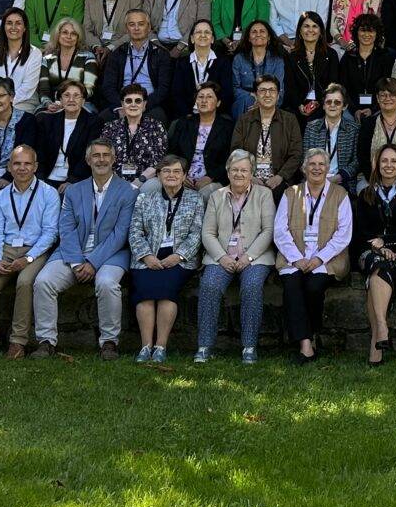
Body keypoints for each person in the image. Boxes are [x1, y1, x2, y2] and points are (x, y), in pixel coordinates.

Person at [31, 139, 138, 360]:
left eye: (106, 155)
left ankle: (109, 342)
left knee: (107, 283)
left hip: (111, 253)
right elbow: (66, 228)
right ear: (88, 160)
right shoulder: (73, 191)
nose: (101, 160)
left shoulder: (128, 192)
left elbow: (120, 233)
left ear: (114, 159)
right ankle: (46, 341)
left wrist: (93, 262)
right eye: (96, 155)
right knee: (43, 282)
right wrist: (77, 262)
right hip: (73, 252)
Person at [0, 145, 58, 358]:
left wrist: (28, 258)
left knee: (25, 282)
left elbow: (50, 233)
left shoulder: (49, 194)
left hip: (36, 249)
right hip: (6, 249)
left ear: (35, 166)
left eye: (27, 163)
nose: (22, 168)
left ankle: (18, 341)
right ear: (9, 167)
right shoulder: (0, 197)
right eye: (17, 163)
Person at [194, 151, 279, 362]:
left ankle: (249, 346)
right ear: (227, 172)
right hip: (221, 257)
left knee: (251, 286)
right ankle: (205, 346)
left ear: (251, 173)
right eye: (234, 170)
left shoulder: (264, 194)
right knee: (209, 285)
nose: (239, 174)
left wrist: (248, 257)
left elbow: (268, 231)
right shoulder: (217, 196)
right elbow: (207, 233)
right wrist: (222, 257)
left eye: (244, 170)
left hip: (255, 258)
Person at [271, 149, 352, 363]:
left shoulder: (340, 194)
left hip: (327, 260)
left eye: (321, 164)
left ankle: (311, 333)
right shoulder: (291, 193)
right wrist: (296, 258)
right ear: (304, 168)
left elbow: (343, 234)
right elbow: (280, 230)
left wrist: (318, 259)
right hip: (294, 257)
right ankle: (306, 344)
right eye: (312, 164)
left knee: (314, 287)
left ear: (328, 168)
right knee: (292, 285)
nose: (317, 168)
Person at [126, 155, 203, 363]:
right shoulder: (145, 199)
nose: (171, 175)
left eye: (177, 171)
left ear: (184, 176)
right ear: (158, 175)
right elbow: (135, 231)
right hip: (147, 257)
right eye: (166, 171)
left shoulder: (195, 199)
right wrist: (146, 256)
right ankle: (145, 347)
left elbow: (196, 233)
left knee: (166, 293)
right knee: (145, 293)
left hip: (179, 259)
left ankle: (160, 347)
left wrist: (178, 256)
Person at [351, 144, 396, 364]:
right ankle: (382, 327)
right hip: (371, 251)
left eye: (393, 161)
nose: (388, 165)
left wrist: (388, 243)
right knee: (377, 264)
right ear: (377, 165)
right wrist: (380, 248)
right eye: (384, 161)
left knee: (377, 275)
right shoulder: (366, 195)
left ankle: (377, 338)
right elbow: (360, 232)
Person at [230, 75, 302, 192]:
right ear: (256, 95)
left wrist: (280, 176)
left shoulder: (289, 120)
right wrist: (250, 177)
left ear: (278, 95)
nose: (267, 94)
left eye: (272, 90)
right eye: (262, 90)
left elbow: (296, 153)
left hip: (279, 181)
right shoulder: (244, 120)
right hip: (248, 180)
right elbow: (236, 152)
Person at [99, 9, 173, 118]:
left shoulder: (161, 54)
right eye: (132, 24)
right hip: (122, 103)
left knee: (159, 117)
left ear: (149, 27)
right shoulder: (116, 54)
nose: (136, 28)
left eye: (141, 24)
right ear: (126, 29)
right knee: (102, 119)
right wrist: (123, 105)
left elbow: (163, 88)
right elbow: (108, 87)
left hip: (149, 105)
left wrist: (144, 105)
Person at [166, 82, 234, 197]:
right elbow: (172, 154)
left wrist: (211, 177)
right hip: (183, 177)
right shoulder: (183, 123)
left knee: (205, 194)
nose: (204, 100)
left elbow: (230, 159)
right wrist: (181, 174)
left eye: (209, 97)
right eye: (200, 97)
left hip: (212, 180)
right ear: (196, 102)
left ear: (218, 103)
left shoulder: (227, 127)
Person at [101, 84, 170, 186]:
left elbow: (158, 162)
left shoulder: (156, 127)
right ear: (122, 104)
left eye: (138, 101)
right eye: (128, 101)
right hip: (114, 180)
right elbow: (103, 158)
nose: (133, 104)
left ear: (144, 104)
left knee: (153, 185)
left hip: (145, 181)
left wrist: (138, 182)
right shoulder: (110, 127)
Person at [0, 7, 41, 112]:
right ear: (3, 27)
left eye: (18, 23)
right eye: (9, 23)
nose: (13, 27)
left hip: (24, 102)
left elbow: (27, 88)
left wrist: (3, 103)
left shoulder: (34, 53)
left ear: (25, 28)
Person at [166, 19, 229, 118]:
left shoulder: (223, 62)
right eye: (198, 32)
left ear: (212, 39)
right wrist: (188, 115)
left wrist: (211, 114)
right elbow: (176, 93)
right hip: (187, 115)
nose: (203, 35)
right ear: (192, 38)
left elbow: (227, 93)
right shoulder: (182, 63)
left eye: (207, 32)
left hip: (215, 115)